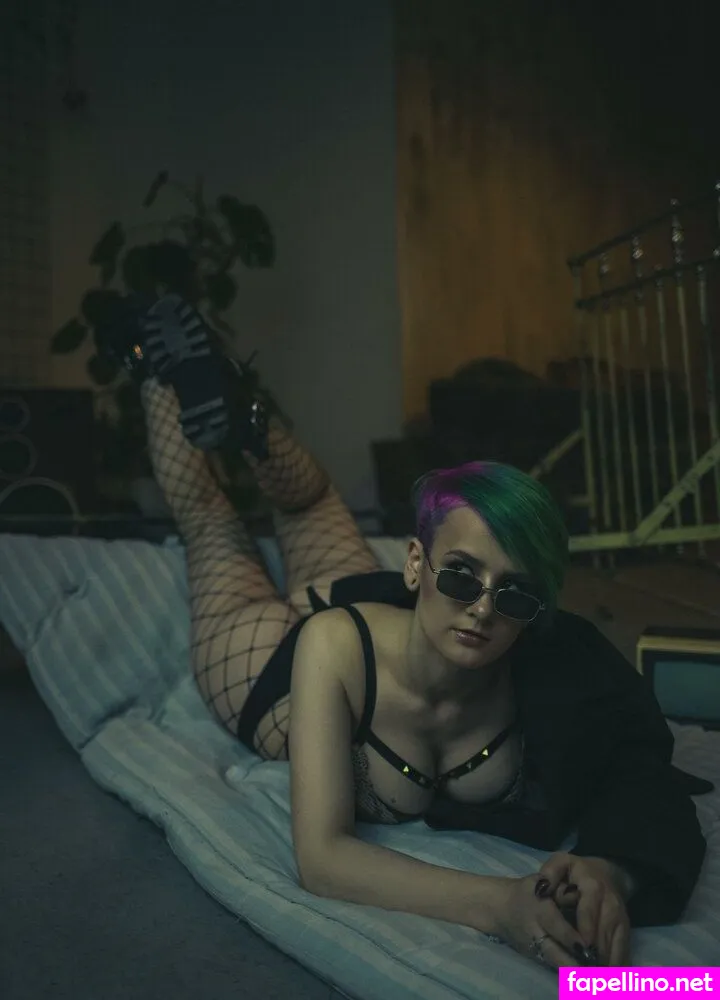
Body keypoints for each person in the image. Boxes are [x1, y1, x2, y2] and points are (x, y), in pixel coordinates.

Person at [107, 293, 708, 972]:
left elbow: (638, 768)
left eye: (513, 592)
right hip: (271, 663)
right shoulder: (331, 644)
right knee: (210, 522)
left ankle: (248, 415)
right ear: (416, 564)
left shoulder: (557, 654)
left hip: (378, 612)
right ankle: (155, 364)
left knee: (308, 504)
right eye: (461, 577)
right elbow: (322, 859)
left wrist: (612, 869)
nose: (484, 609)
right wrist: (499, 903)